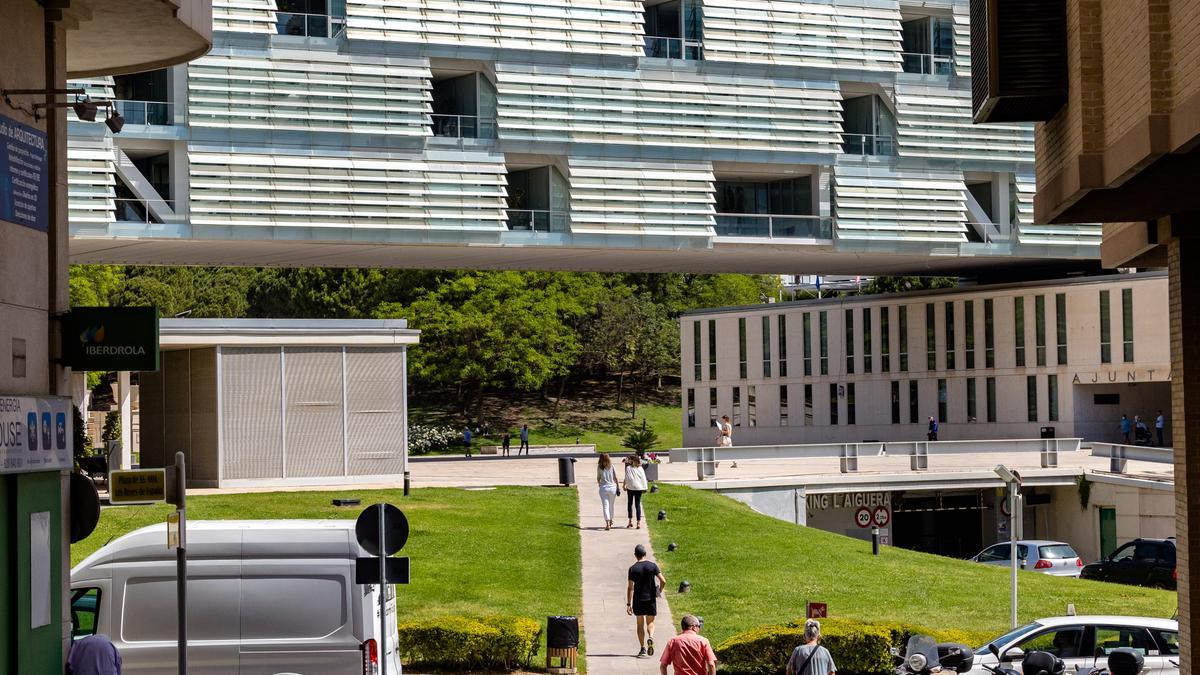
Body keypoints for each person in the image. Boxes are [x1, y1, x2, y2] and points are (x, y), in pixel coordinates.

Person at [627, 543, 667, 658]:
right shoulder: (652, 566)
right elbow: (663, 581)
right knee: (650, 622)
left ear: (635, 555)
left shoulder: (632, 569)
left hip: (638, 600)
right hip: (650, 599)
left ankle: (642, 649)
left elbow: (630, 587)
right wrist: (658, 591)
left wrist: (629, 604)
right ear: (645, 554)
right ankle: (651, 637)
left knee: (640, 624)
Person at [624, 455, 649, 529]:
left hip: (630, 488)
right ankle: (638, 522)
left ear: (632, 461)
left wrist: (624, 485)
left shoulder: (628, 468)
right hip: (639, 488)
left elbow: (626, 477)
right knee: (637, 505)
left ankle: (630, 521)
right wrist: (645, 488)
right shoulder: (640, 468)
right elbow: (643, 478)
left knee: (630, 504)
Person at [598, 453, 619, 530]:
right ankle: (611, 520)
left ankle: (607, 523)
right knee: (611, 506)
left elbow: (598, 478)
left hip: (603, 487)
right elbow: (615, 477)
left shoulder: (600, 467)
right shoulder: (611, 466)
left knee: (605, 506)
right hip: (612, 487)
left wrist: (599, 484)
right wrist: (618, 487)